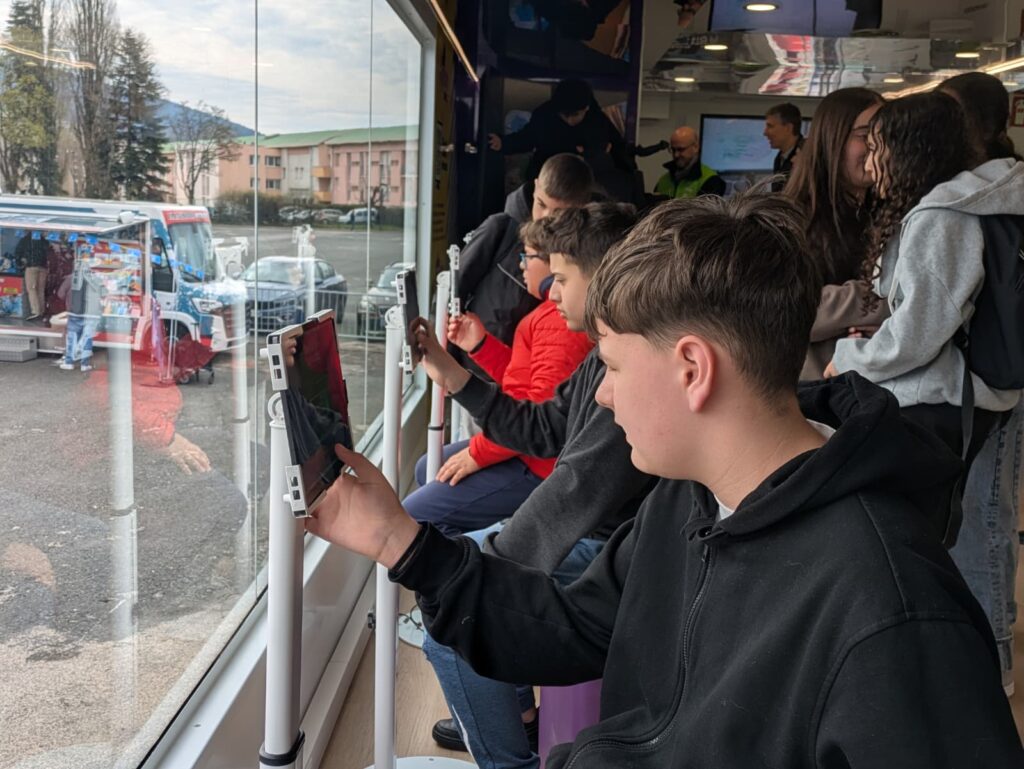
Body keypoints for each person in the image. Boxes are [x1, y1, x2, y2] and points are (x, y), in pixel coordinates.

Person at [305, 190, 1023, 767]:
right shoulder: (692, 497)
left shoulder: (895, 614)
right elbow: (573, 625)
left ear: (692, 369)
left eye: (612, 367)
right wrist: (402, 540)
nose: (605, 395)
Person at [412, 202, 650, 766]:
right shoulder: (601, 354)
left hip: (610, 548)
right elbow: (544, 428)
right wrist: (457, 378)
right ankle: (516, 712)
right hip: (598, 532)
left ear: (608, 275)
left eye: (562, 278)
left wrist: (479, 574)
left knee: (448, 632)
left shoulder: (624, 366)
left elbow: (575, 490)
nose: (550, 291)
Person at [826, 90, 1023, 511]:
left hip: (946, 405)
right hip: (974, 396)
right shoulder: (974, 200)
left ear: (908, 151)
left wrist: (848, 358)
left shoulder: (941, 217)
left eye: (877, 147)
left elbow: (915, 335)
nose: (870, 161)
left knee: (962, 542)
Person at [402, 216, 595, 537]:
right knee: (427, 467)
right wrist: (479, 345)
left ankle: (471, 574)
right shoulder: (546, 315)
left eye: (527, 257)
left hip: (537, 463)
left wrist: (479, 454)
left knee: (414, 516)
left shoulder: (556, 323)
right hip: (525, 448)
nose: (521, 266)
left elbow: (537, 415)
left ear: (553, 264)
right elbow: (525, 379)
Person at [940, 70, 1024, 696]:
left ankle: (990, 664)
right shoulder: (1013, 183)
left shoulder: (963, 198)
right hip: (1009, 365)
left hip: (985, 376)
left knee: (983, 513)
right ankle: (996, 635)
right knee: (993, 506)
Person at [783, 87, 887, 380]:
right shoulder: (790, 218)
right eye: (864, 134)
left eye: (884, 135)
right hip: (814, 394)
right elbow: (786, 312)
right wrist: (882, 302)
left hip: (878, 393)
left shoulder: (893, 213)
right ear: (833, 139)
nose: (877, 146)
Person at [458, 153, 593, 350]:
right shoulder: (500, 229)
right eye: (541, 204)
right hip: (473, 362)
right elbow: (456, 290)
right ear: (536, 186)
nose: (544, 218)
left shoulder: (584, 253)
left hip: (533, 366)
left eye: (558, 213)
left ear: (581, 209)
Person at [487, 79, 628, 183]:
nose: (569, 121)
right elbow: (527, 138)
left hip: (582, 177)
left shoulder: (597, 121)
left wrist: (586, 151)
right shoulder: (544, 115)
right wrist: (503, 143)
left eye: (575, 115)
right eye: (564, 116)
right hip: (546, 171)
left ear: (586, 108)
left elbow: (611, 147)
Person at [60, 250, 104, 372]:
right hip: (91, 314)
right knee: (87, 338)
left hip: (74, 313)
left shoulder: (70, 278)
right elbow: (102, 293)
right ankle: (85, 365)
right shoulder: (95, 279)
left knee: (72, 338)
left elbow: (60, 294)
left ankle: (69, 362)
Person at [652, 126, 725, 198]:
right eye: (673, 150)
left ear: (696, 147)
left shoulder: (711, 180)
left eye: (681, 149)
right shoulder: (663, 180)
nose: (676, 155)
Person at [764, 102, 803, 190]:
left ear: (788, 128)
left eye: (770, 126)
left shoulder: (805, 157)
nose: (765, 132)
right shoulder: (780, 158)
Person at [16, 232, 48, 320]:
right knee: (40, 290)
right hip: (43, 267)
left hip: (31, 266)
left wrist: (20, 263)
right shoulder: (44, 240)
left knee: (31, 289)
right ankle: (41, 311)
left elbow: (18, 252)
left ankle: (35, 311)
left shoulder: (26, 240)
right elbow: (48, 252)